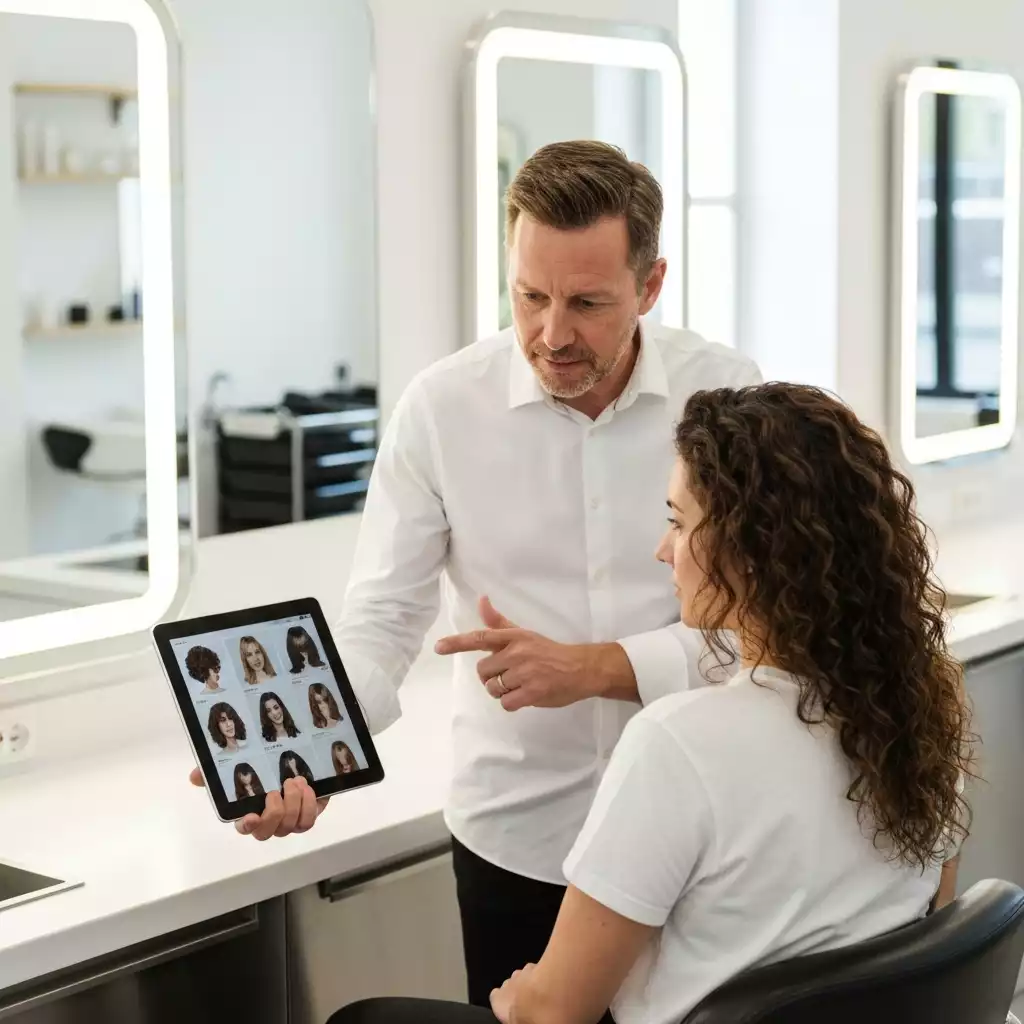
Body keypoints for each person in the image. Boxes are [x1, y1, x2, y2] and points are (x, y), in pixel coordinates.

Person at [188, 140, 761, 997]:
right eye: (530, 295)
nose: (552, 333)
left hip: (703, 836)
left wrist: (600, 669)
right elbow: (383, 623)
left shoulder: (727, 398)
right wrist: (313, 752)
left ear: (650, 285)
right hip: (520, 844)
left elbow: (760, 628)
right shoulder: (441, 409)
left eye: (587, 302)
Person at [327, 383, 973, 1024]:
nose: (663, 549)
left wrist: (521, 998)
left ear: (751, 548)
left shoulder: (679, 744)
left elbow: (554, 1012)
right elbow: (929, 940)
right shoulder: (921, 709)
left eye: (678, 521)